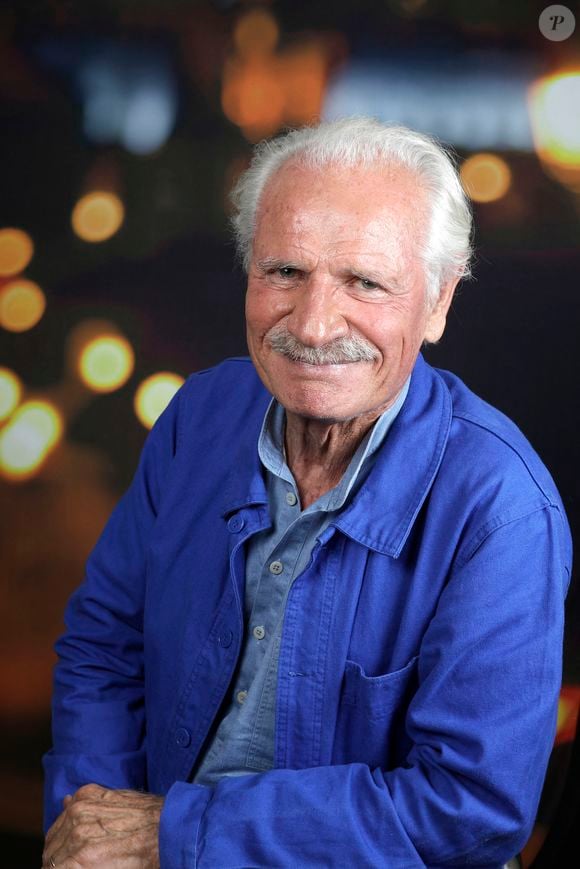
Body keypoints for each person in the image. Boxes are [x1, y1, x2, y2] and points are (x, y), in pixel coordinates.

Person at [43, 118, 572, 868]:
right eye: (284, 272)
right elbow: (103, 649)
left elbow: (470, 808)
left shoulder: (500, 508)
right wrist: (90, 821)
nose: (315, 324)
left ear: (438, 302)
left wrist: (175, 836)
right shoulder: (198, 415)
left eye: (365, 281)